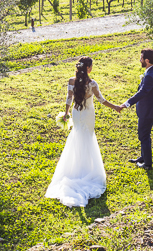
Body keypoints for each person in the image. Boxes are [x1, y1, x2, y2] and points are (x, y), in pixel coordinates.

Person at [46, 56, 122, 207]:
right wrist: (116, 107)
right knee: (88, 139)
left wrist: (67, 113)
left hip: (76, 114)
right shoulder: (92, 84)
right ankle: (87, 170)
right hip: (88, 115)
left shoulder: (71, 81)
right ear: (88, 68)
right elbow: (102, 100)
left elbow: (69, 99)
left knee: (77, 138)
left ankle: (75, 168)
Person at [120, 49, 153, 170]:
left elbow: (142, 92)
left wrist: (127, 103)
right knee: (143, 134)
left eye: (141, 58)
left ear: (147, 60)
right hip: (150, 108)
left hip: (148, 110)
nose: (140, 60)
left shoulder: (150, 76)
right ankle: (143, 156)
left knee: (144, 135)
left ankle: (147, 164)